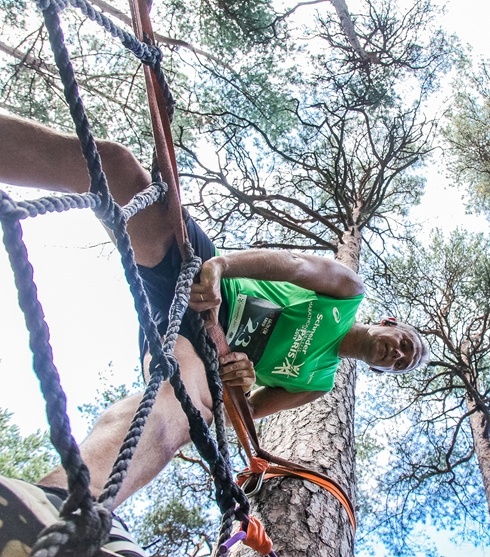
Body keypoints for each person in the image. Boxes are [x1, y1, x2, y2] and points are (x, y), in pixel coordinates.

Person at [0, 114, 428, 553]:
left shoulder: (316, 383)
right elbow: (294, 265)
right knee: (117, 170)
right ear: (390, 324)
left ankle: (62, 506)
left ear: (381, 370)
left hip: (193, 347)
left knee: (188, 409)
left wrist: (237, 381)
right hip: (200, 274)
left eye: (402, 363)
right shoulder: (347, 294)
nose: (398, 354)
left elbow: (239, 413)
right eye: (406, 345)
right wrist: (222, 265)